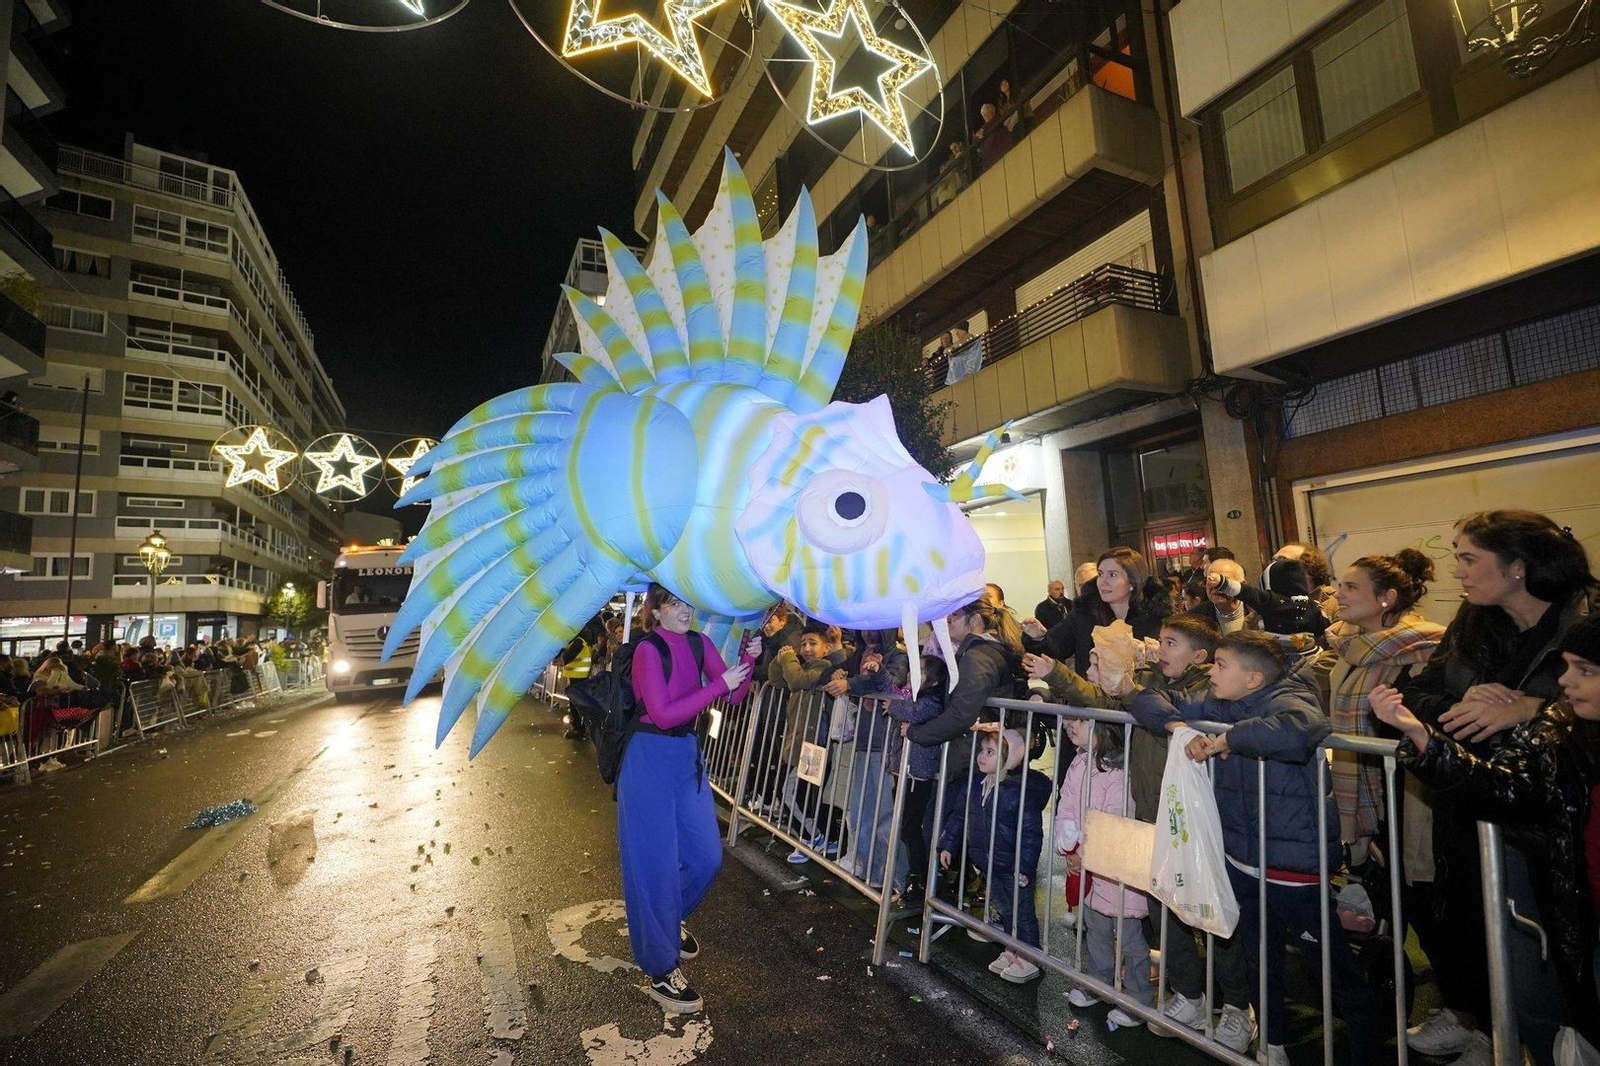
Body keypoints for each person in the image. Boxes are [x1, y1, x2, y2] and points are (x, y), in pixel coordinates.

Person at [1398, 510, 1596, 1064]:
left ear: (1517, 567)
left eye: (1467, 558)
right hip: (1472, 804)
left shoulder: (1585, 621)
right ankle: (1493, 1033)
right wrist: (1469, 710)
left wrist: (1535, 710)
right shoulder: (1471, 620)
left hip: (1556, 825)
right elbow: (1420, 693)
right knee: (1486, 940)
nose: (1455, 571)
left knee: (1551, 961)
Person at [1132, 631, 1377, 1065]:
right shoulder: (1217, 702)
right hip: (1242, 861)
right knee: (1259, 960)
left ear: (1253, 678)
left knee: (1333, 971)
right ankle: (1272, 1045)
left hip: (1292, 865)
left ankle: (1366, 1052)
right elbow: (1148, 699)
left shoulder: (1289, 697)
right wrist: (1179, 727)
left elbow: (1299, 732)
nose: (1211, 671)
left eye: (1222, 664)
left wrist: (1228, 739)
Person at [620, 584, 760, 1015]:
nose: (683, 610)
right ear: (657, 611)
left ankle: (667, 920)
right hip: (649, 761)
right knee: (654, 869)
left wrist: (749, 661)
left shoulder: (700, 643)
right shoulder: (647, 650)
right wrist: (719, 684)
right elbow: (662, 714)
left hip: (686, 758)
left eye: (686, 603)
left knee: (706, 858)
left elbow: (735, 695)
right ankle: (661, 966)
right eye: (673, 604)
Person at [1325, 550, 1444, 866]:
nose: (1339, 594)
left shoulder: (1425, 647)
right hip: (1367, 782)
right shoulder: (1349, 645)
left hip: (1407, 788)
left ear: (1386, 598)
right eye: (1340, 585)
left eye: (1351, 587)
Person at [1055, 714, 1152, 1026]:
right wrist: (1069, 846)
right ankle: (1100, 983)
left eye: (1079, 720)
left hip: (1116, 871)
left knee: (1130, 937)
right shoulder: (1079, 762)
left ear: (1104, 728)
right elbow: (1066, 804)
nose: (1070, 724)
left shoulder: (1120, 773)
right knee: (1095, 929)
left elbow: (1114, 821)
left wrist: (1085, 853)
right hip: (1089, 868)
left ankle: (1138, 998)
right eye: (1068, 720)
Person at [938, 726, 1051, 983]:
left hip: (1012, 866)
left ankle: (1030, 954)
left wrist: (1025, 867)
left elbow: (1031, 835)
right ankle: (1012, 948)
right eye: (981, 750)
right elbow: (959, 816)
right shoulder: (975, 787)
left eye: (990, 751)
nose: (981, 756)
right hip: (990, 864)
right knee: (1006, 908)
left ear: (1008, 760)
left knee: (1022, 911)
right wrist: (948, 844)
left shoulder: (1017, 795)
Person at [1024, 547, 1171, 673]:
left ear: (1132, 582)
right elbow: (1057, 648)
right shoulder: (1084, 612)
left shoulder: (1157, 618)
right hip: (1092, 700)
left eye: (1112, 575)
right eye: (1100, 574)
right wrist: (1039, 637)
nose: (1103, 582)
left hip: (1140, 701)